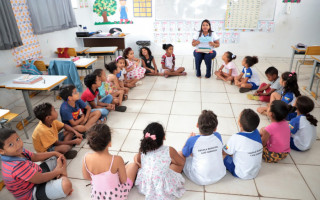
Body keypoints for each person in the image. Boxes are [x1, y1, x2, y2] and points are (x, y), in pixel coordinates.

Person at [0, 128, 73, 200]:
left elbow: (35, 156)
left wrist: (55, 153)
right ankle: (61, 175)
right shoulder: (16, 166)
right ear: (1, 151)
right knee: (66, 185)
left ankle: (58, 176)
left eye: (17, 139)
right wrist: (59, 171)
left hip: (36, 173)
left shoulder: (18, 151)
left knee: (57, 158)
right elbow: (40, 178)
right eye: (11, 144)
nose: (18, 144)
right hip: (32, 191)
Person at [82, 124, 138, 200]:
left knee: (118, 170)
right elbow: (123, 180)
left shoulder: (86, 157)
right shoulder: (117, 159)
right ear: (109, 143)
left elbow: (86, 177)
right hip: (116, 196)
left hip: (97, 196)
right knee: (133, 165)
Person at [134, 122, 185, 199]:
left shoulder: (142, 148)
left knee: (135, 157)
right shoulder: (169, 150)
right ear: (164, 137)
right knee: (180, 156)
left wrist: (139, 164)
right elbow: (181, 162)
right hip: (162, 187)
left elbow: (138, 160)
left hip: (146, 186)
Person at [181, 110, 226, 185]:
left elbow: (184, 153)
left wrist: (188, 140)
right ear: (215, 129)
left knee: (182, 155)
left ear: (197, 125)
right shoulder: (218, 136)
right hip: (220, 174)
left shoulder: (192, 140)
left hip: (200, 179)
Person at [223, 109, 263, 179]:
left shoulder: (236, 137)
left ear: (239, 123)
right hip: (255, 171)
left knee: (223, 156)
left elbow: (225, 151)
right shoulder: (256, 132)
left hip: (240, 173)